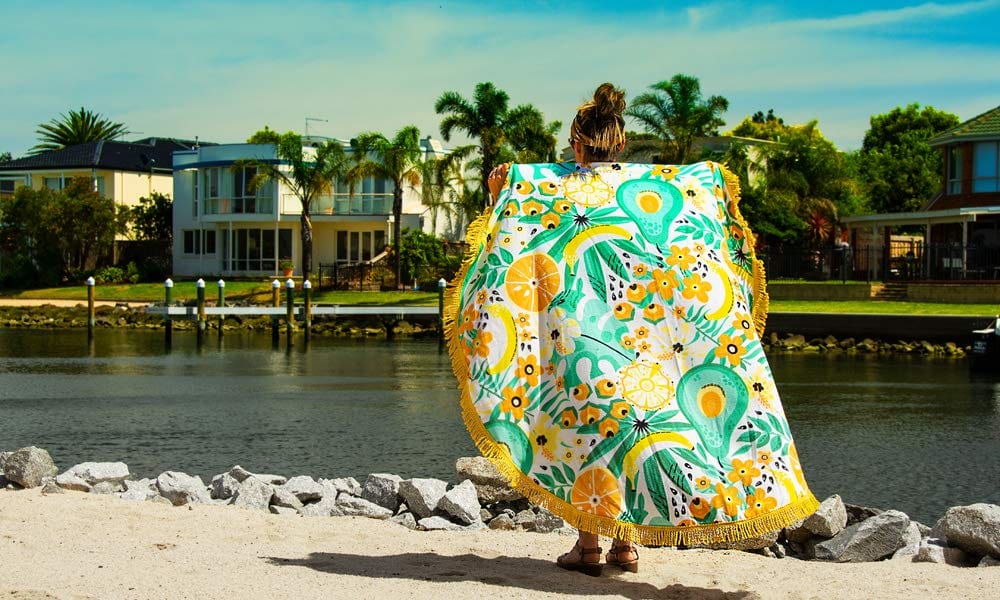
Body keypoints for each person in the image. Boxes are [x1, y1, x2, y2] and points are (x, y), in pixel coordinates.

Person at [452, 83, 816, 578]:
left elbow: (519, 240)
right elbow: (687, 239)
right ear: (621, 145)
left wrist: (502, 192)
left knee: (590, 428)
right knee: (631, 428)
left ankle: (587, 549)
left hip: (581, 335)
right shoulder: (655, 188)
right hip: (644, 339)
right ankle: (625, 547)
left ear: (575, 143)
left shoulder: (548, 186)